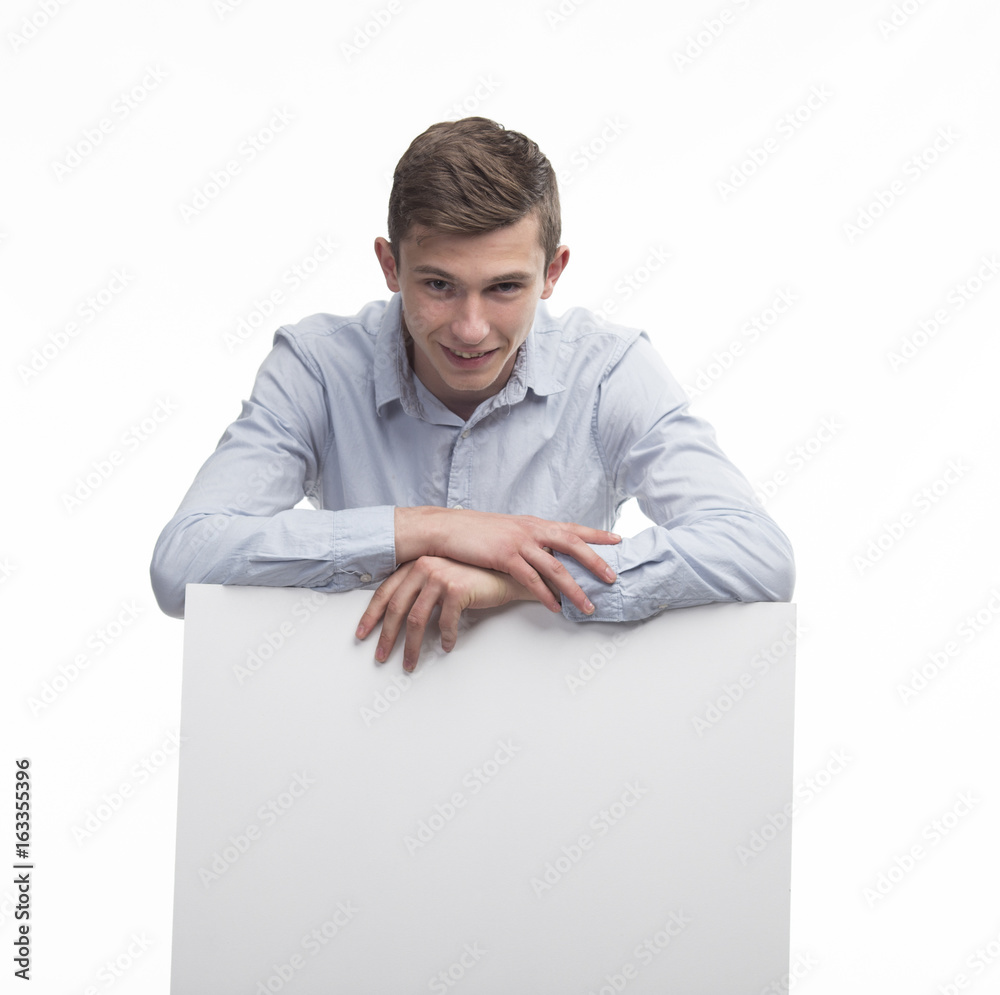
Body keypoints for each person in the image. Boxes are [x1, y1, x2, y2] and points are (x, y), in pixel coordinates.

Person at [150, 116, 794, 671]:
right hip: (353, 740)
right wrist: (439, 530)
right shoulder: (318, 367)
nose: (470, 328)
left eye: (505, 288)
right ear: (390, 266)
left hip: (568, 740)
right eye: (438, 285)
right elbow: (184, 564)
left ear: (553, 273)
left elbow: (756, 553)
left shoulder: (610, 370)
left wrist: (513, 579)